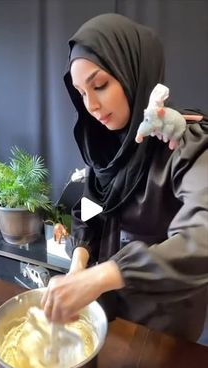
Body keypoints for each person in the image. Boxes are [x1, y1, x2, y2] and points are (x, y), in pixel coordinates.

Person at [42, 13, 208, 341]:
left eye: (100, 85)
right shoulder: (105, 147)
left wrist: (105, 275)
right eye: (80, 93)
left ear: (132, 71)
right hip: (106, 311)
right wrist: (79, 262)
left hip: (163, 324)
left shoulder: (185, 142)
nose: (90, 104)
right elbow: (91, 207)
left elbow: (201, 238)